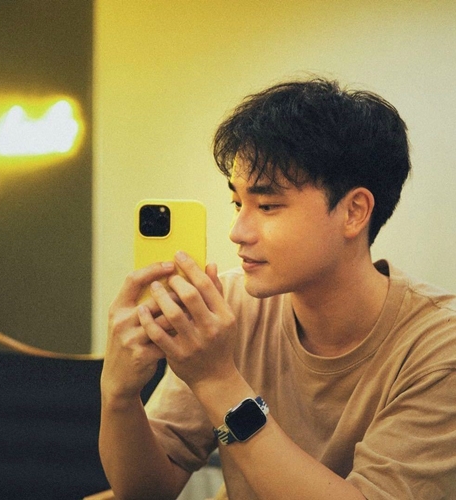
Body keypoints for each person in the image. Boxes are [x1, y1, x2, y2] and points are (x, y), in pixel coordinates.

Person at [99, 77, 456, 500]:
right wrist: (119, 394)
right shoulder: (230, 307)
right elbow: (145, 491)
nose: (237, 232)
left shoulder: (439, 346)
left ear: (354, 212)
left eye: (267, 206)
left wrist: (216, 379)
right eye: (237, 204)